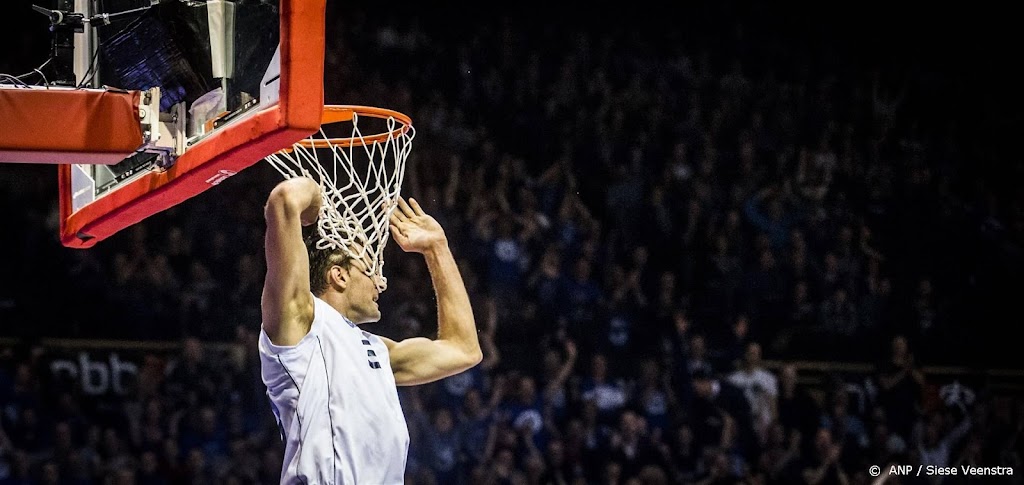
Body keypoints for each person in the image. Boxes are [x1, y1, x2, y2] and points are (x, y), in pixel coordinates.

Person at [258, 177, 482, 484]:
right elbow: (283, 199)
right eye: (370, 266)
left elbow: (463, 348)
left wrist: (437, 249)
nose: (381, 281)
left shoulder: (378, 349)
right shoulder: (300, 322)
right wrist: (317, 202)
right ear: (338, 275)